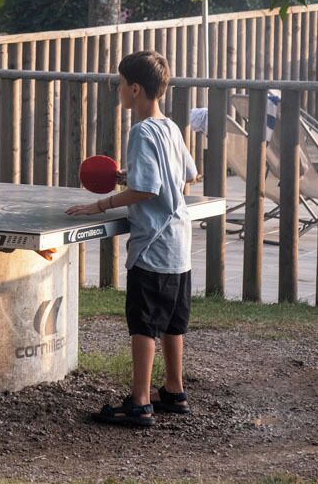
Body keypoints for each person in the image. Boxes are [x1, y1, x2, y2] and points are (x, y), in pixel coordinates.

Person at [66, 50, 198, 428]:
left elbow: (148, 190)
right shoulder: (170, 127)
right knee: (173, 322)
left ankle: (140, 402)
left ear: (135, 89)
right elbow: (189, 174)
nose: (118, 90)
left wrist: (101, 205)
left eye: (121, 84)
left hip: (152, 247)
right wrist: (130, 176)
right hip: (179, 244)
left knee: (144, 324)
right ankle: (174, 391)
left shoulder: (140, 131)